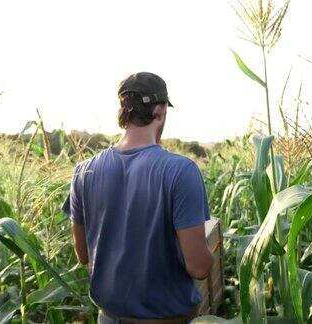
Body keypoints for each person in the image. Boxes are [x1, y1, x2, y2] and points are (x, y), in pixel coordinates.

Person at [62, 72, 214, 323]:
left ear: (123, 111)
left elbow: (83, 255)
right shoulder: (181, 171)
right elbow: (199, 268)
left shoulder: (83, 171)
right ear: (161, 110)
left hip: (108, 317)